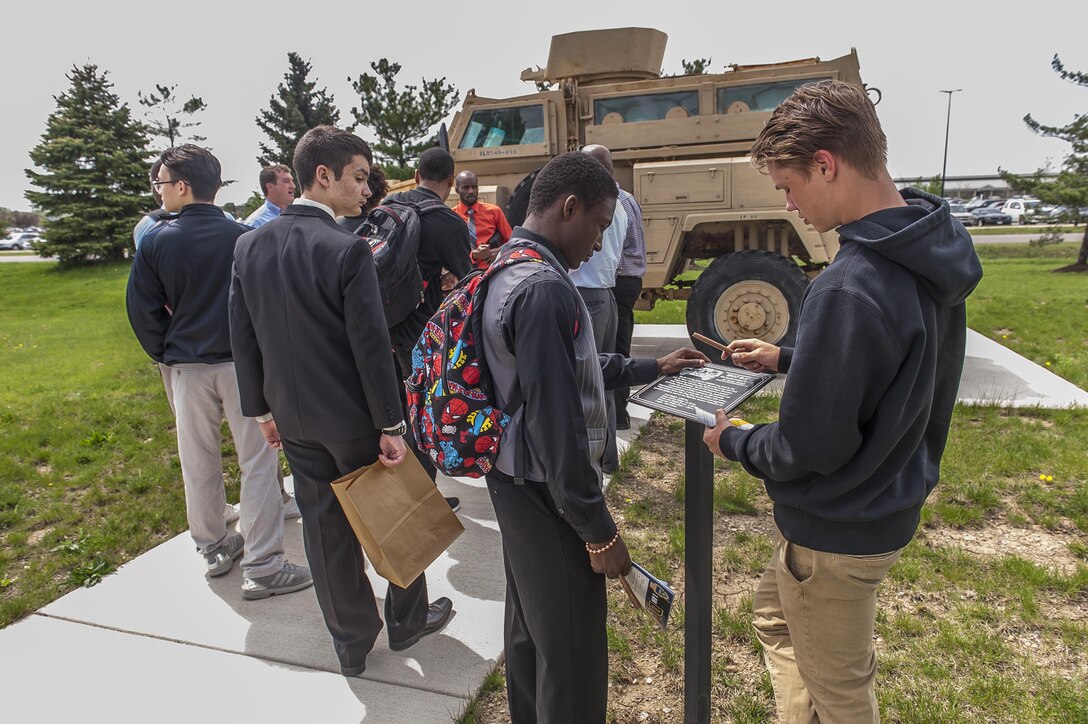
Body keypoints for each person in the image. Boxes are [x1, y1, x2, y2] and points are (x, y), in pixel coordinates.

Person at [701, 80, 983, 722]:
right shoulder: (925, 246)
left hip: (835, 530)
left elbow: (810, 446)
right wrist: (790, 357)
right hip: (884, 500)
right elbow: (900, 363)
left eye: (788, 186)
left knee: (842, 695)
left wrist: (735, 439)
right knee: (775, 620)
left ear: (825, 163)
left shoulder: (848, 286)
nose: (791, 204)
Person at [480, 151, 709, 722]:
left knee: (531, 635)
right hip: (547, 492)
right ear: (569, 207)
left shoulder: (508, 267)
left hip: (512, 480)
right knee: (574, 658)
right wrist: (599, 531)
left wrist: (648, 368)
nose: (600, 242)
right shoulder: (546, 290)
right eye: (601, 226)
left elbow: (561, 368)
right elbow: (558, 428)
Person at [229, 126, 454, 676]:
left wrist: (260, 410)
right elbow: (371, 345)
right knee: (393, 514)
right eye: (357, 177)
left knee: (324, 528)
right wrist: (391, 422)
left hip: (292, 417)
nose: (365, 189)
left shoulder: (248, 244)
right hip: (355, 416)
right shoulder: (347, 248)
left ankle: (351, 642)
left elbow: (243, 335)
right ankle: (406, 621)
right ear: (323, 177)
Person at [126, 144, 312, 601]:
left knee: (198, 461)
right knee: (259, 463)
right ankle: (265, 563)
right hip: (243, 367)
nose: (158, 191)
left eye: (162, 183)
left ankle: (213, 546)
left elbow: (142, 311)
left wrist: (166, 352)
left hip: (186, 367)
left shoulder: (155, 240)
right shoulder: (243, 237)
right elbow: (268, 307)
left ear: (183, 187)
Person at [384, 148, 473, 506]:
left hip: (379, 328)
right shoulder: (448, 222)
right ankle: (422, 499)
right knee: (422, 417)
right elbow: (470, 285)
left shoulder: (388, 205)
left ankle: (403, 492)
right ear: (451, 181)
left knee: (396, 418)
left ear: (416, 175)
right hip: (422, 335)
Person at [568, 144, 627, 473]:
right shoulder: (621, 204)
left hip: (585, 295)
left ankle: (591, 457)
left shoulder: (591, 205)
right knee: (604, 380)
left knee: (586, 381)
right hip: (606, 295)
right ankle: (608, 457)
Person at [612, 175, 646, 431]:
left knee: (611, 348)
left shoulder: (611, 202)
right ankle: (620, 413)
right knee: (621, 344)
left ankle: (617, 414)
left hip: (618, 278)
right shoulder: (628, 198)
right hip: (631, 279)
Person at [452, 169, 513, 269]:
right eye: (466, 187)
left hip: (492, 270)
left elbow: (511, 240)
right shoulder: (452, 216)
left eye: (474, 187)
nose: (471, 191)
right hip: (465, 272)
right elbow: (450, 251)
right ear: (457, 190)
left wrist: (498, 252)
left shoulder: (494, 211)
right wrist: (474, 255)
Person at [244, 164, 296, 229]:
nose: (293, 186)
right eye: (286, 181)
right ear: (270, 187)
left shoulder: (296, 216)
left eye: (292, 181)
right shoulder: (255, 224)